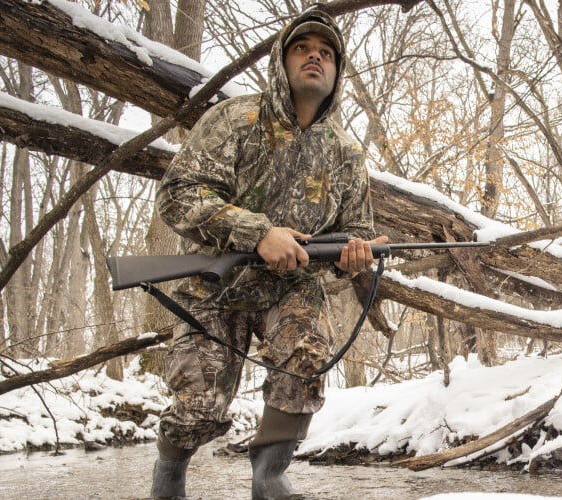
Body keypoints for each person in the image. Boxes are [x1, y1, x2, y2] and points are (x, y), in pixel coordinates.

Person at [150, 8, 387, 499]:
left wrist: (355, 257)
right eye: (303, 48)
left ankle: (270, 474)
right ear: (282, 61)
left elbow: (354, 234)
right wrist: (257, 233)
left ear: (338, 71)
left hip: (291, 287)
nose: (315, 57)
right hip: (212, 284)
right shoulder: (235, 118)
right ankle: (169, 473)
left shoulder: (346, 153)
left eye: (326, 52)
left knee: (306, 358)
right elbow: (177, 195)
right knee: (199, 408)